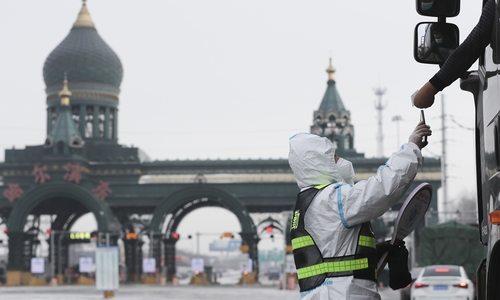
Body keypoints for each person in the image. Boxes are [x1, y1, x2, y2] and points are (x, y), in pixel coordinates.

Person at [288, 121, 431, 300]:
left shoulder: (307, 204)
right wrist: (412, 148)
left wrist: (372, 254)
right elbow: (384, 188)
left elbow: (332, 255)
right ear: (318, 163)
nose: (341, 161)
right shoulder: (332, 199)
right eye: (334, 157)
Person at [414, 0, 495, 108]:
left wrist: (430, 89)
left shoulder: (495, 4)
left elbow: (473, 44)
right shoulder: (434, 45)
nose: (437, 36)